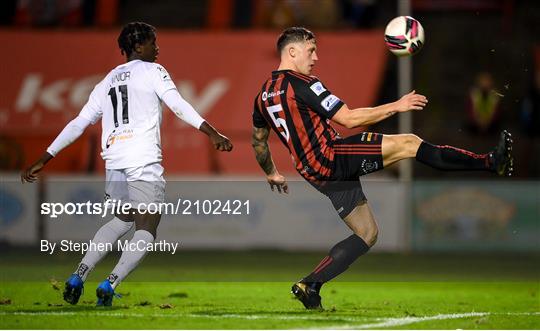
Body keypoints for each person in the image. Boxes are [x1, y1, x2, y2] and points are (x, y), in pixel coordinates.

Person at [251, 27, 513, 310]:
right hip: (331, 156)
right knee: (410, 144)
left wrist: (270, 172)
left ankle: (310, 285)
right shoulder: (304, 84)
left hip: (314, 172)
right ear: (292, 51)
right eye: (310, 50)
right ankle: (490, 162)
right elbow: (349, 119)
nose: (315, 57)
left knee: (367, 233)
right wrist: (397, 106)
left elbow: (259, 141)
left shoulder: (262, 95)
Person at [21, 22, 233, 306]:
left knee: (122, 218)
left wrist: (44, 158)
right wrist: (212, 132)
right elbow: (178, 104)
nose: (157, 48)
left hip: (114, 158)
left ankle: (78, 275)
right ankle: (111, 283)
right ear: (137, 46)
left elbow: (78, 124)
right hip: (142, 156)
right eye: (152, 42)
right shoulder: (154, 71)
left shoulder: (106, 80)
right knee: (148, 225)